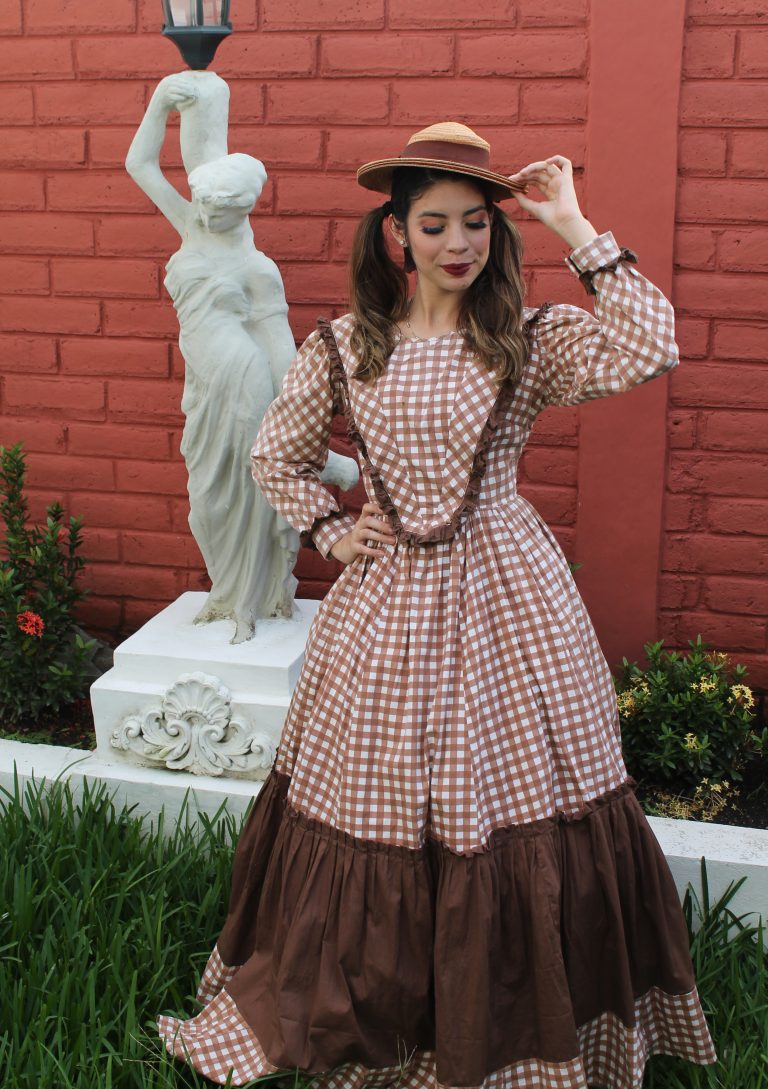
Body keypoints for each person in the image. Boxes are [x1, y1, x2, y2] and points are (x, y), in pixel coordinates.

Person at [158, 122, 717, 1089]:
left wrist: (572, 221)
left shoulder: (525, 339)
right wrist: (331, 532)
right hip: (389, 606)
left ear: (496, 232)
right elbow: (275, 455)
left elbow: (651, 345)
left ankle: (512, 1022)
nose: (458, 243)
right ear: (398, 233)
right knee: (373, 788)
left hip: (511, 597)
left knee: (508, 791)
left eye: (475, 223)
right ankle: (382, 1012)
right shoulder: (347, 345)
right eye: (434, 224)